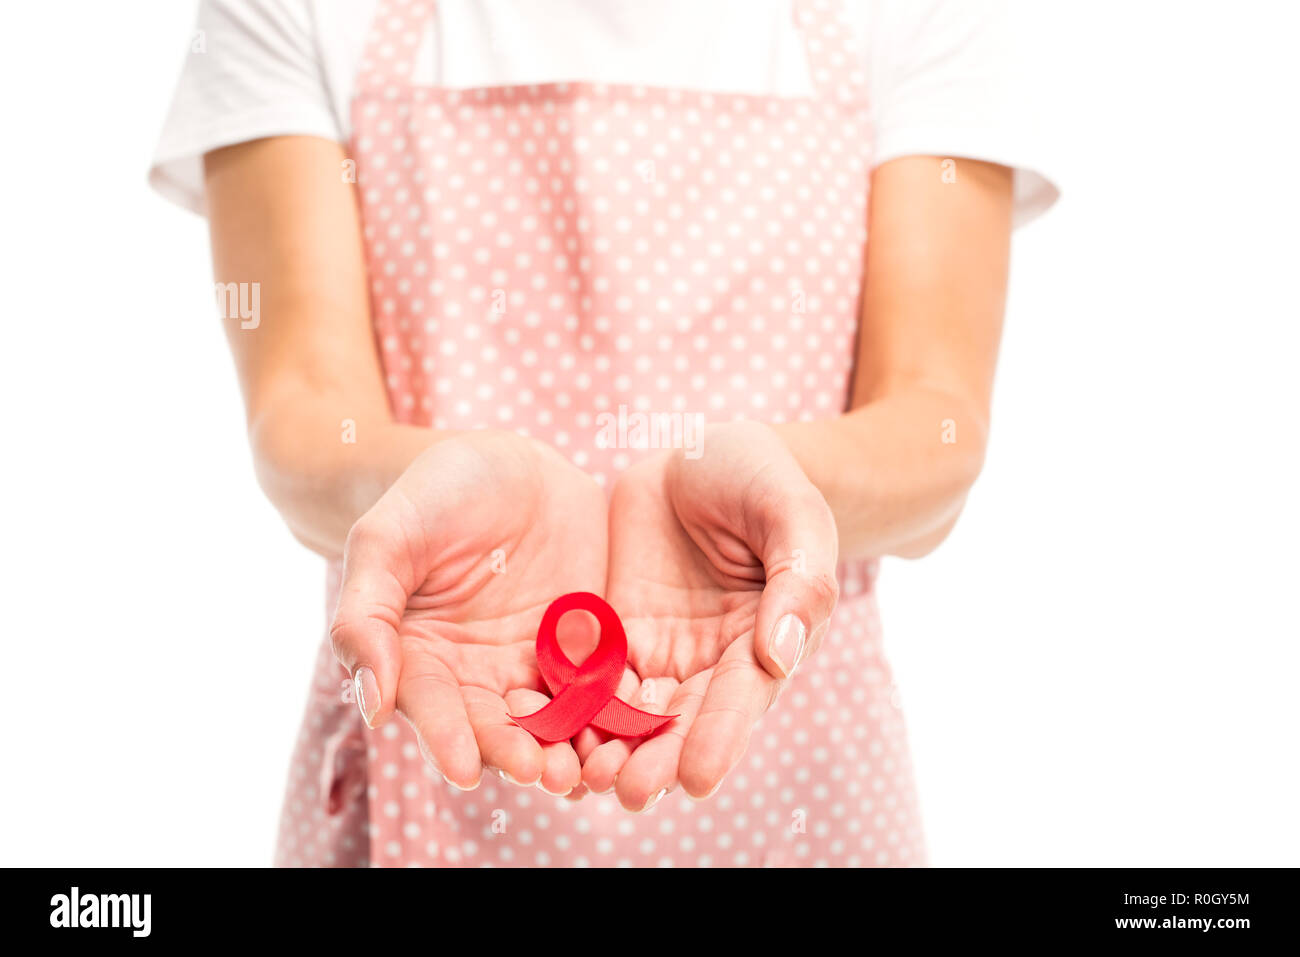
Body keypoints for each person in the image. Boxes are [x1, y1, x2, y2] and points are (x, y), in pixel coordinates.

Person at [151, 0, 1058, 867]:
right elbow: (302, 414)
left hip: (806, 777)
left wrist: (776, 491)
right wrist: (438, 490)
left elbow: (937, 422)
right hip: (429, 728)